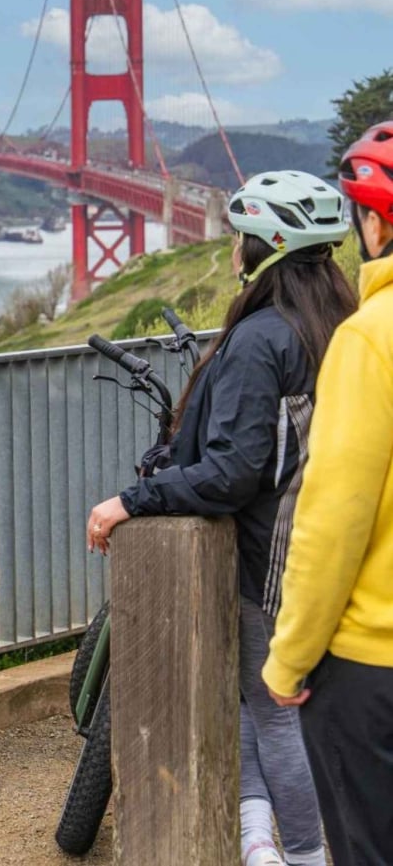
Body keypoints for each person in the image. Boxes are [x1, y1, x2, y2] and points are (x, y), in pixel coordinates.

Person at [87, 170, 354, 866]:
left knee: (271, 707)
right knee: (254, 696)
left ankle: (302, 852)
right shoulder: (339, 323)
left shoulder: (263, 338)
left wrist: (131, 500)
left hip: (268, 558)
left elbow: (234, 470)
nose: (232, 247)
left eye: (241, 235)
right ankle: (257, 836)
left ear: (265, 246)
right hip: (323, 550)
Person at [262, 124, 393, 866]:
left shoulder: (369, 338)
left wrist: (288, 659)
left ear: (373, 224)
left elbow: (331, 520)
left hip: (372, 670)